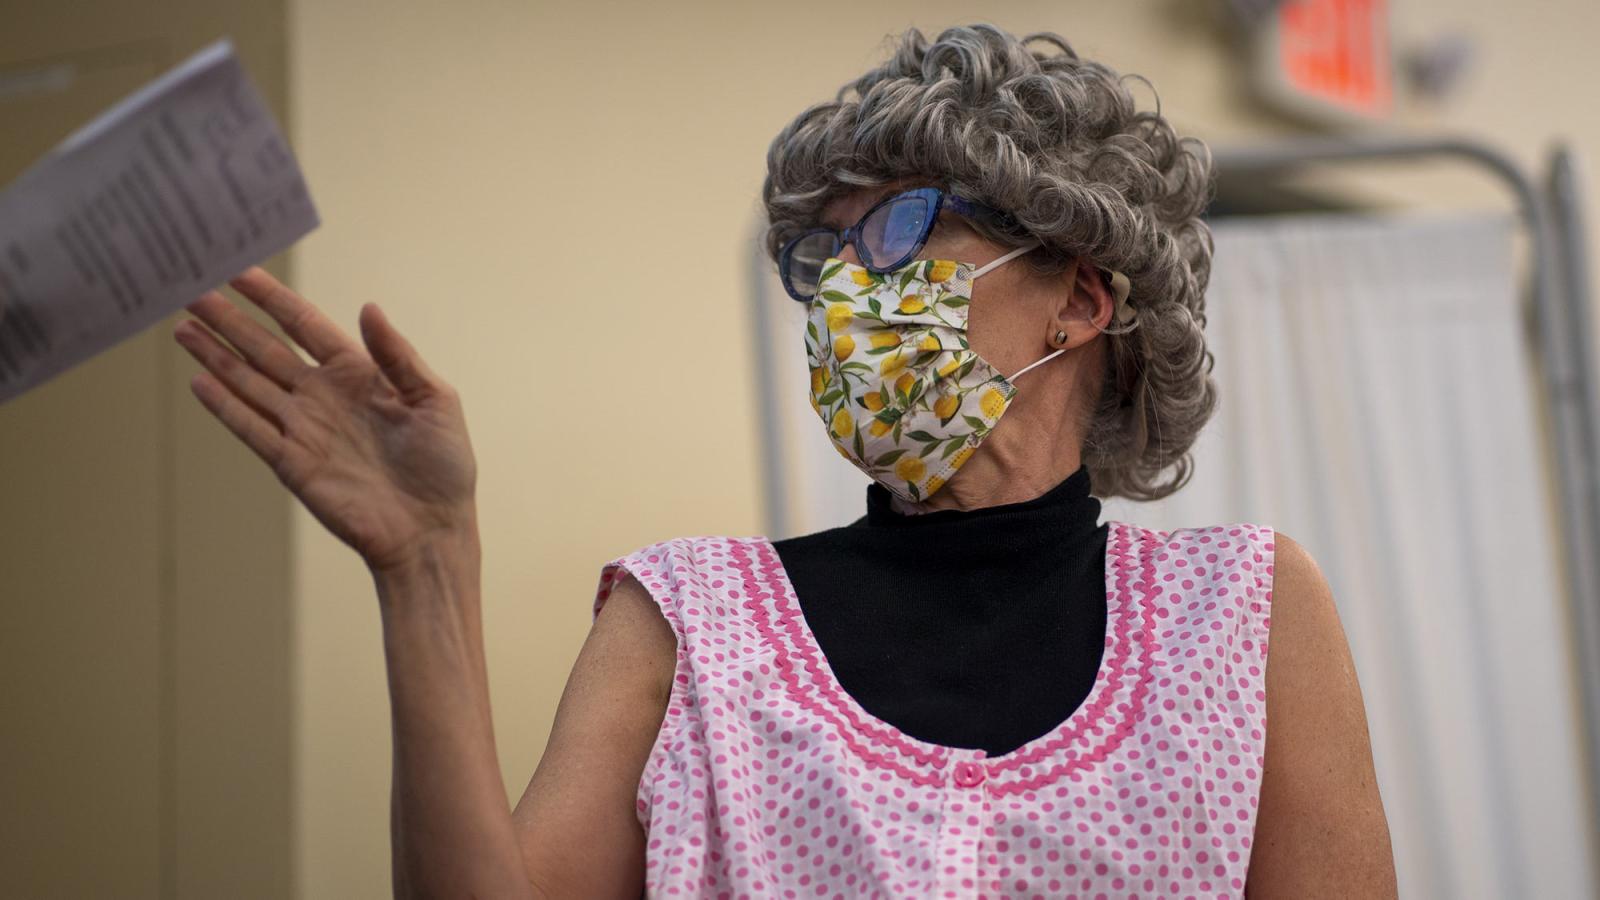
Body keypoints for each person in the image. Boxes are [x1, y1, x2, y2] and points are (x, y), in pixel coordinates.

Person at [171, 23, 1397, 899]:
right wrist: (425, 566)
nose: (849, 293)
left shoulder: (1241, 617)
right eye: (827, 263)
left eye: (908, 229)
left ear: (1076, 300)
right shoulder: (686, 622)